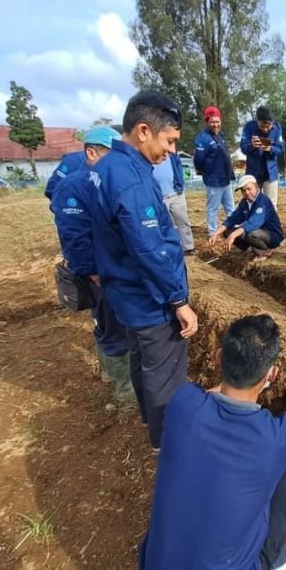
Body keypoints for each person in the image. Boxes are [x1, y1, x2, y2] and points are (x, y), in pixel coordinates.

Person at [139, 314, 286, 570]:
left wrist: (242, 381)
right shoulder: (276, 438)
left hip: (157, 564)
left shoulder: (183, 402)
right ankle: (274, 558)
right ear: (272, 372)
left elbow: (210, 395)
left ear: (218, 358)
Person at [88, 91, 198, 449]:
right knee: (165, 372)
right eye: (169, 141)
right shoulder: (131, 179)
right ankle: (169, 442)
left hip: (124, 292)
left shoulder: (105, 168)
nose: (170, 151)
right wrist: (178, 300)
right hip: (148, 297)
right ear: (143, 130)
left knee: (142, 361)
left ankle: (150, 421)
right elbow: (149, 249)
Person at [50, 126, 134, 403]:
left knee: (104, 322)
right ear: (92, 152)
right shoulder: (75, 187)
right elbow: (73, 236)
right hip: (99, 271)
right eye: (112, 154)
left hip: (111, 265)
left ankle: (110, 373)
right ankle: (125, 390)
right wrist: (93, 272)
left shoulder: (103, 181)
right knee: (112, 326)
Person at [208, 174, 283, 261]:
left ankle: (265, 252)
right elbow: (232, 219)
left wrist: (233, 235)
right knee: (227, 232)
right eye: (243, 190)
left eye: (249, 189)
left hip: (271, 235)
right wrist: (216, 233)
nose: (247, 192)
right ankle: (252, 249)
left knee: (250, 234)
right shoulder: (244, 203)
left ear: (257, 187)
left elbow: (253, 223)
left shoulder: (263, 202)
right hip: (257, 232)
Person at [194, 105, 235, 233]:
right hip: (214, 180)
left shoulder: (220, 136)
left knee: (230, 207)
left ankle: (233, 228)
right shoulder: (203, 138)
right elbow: (198, 160)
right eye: (212, 122)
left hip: (225, 178)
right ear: (207, 122)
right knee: (213, 208)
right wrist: (203, 171)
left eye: (217, 122)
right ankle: (212, 232)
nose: (215, 124)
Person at [152, 152, 196, 255]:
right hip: (159, 196)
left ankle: (188, 247)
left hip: (176, 193)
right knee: (163, 224)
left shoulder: (171, 154)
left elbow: (178, 168)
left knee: (183, 221)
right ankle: (165, 249)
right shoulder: (149, 154)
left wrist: (180, 184)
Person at [240, 106, 284, 207]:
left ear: (272, 122)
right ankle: (253, 222)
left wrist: (270, 149)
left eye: (268, 126)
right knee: (252, 203)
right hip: (253, 173)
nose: (265, 129)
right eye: (262, 126)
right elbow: (243, 147)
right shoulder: (249, 127)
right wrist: (252, 146)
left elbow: (280, 149)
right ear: (257, 121)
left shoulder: (277, 128)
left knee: (271, 205)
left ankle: (270, 223)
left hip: (270, 173)